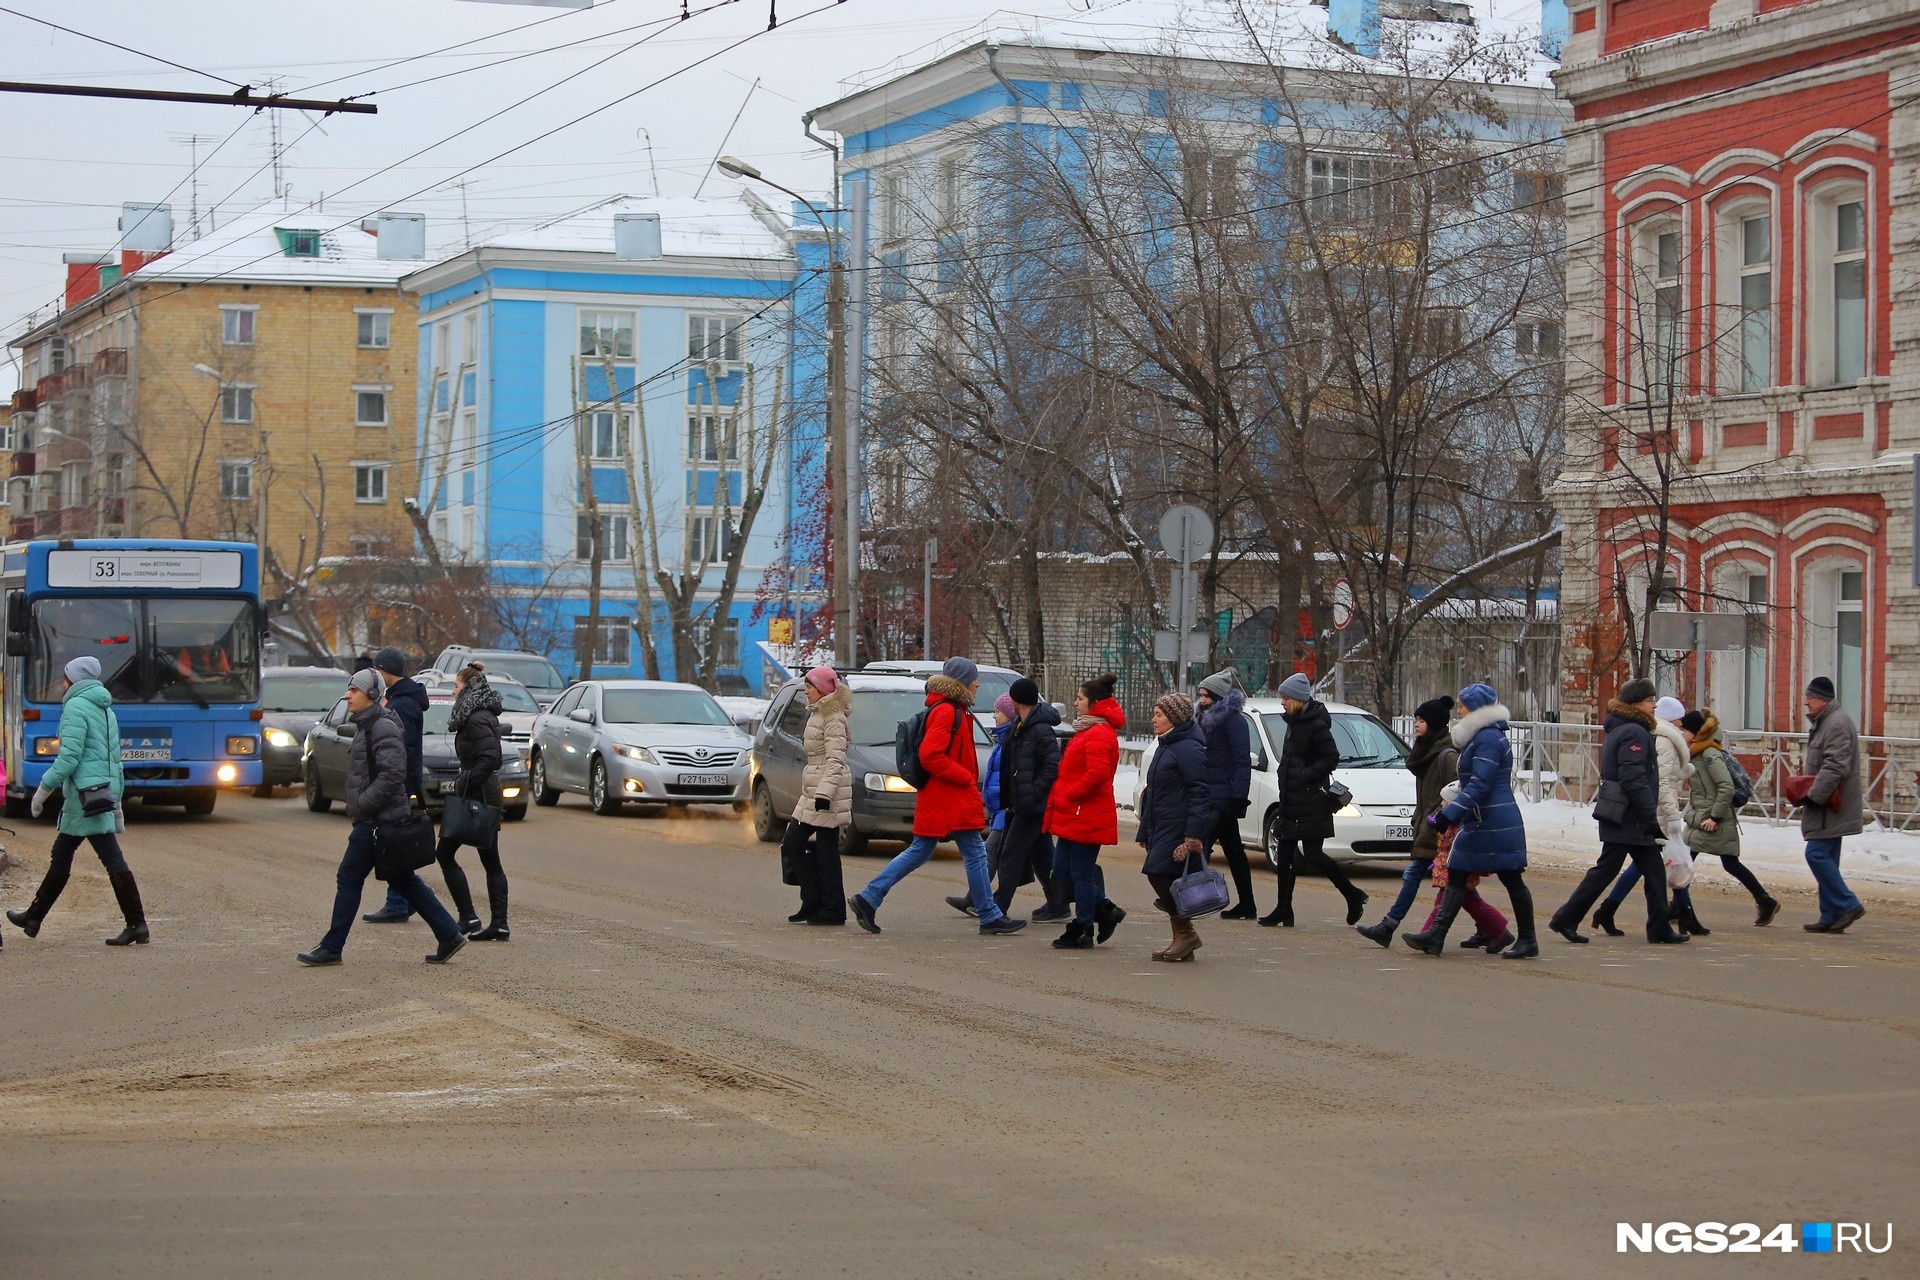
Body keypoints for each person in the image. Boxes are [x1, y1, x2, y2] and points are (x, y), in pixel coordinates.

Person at [297, 669, 467, 966]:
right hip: (377, 819)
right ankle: (449, 934)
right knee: (403, 879)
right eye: (349, 689)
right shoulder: (368, 724)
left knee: (349, 877)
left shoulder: (382, 727)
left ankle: (332, 947)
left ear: (372, 695)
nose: (348, 695)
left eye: (354, 690)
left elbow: (391, 775)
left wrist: (363, 804)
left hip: (378, 821)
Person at [849, 657, 1026, 936]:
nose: (977, 683)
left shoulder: (952, 708)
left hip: (944, 796)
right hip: (949, 796)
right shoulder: (947, 710)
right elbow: (930, 755)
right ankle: (989, 915)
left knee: (923, 852)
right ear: (961, 682)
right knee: (974, 853)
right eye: (973, 678)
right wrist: (964, 777)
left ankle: (869, 897)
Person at [4, 656, 147, 946]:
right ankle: (33, 917)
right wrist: (116, 800)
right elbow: (113, 759)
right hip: (99, 792)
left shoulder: (75, 707)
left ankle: (137, 923)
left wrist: (43, 790)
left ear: (75, 680)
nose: (62, 682)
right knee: (64, 854)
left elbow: (69, 757)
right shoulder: (105, 709)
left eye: (66, 676)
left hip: (85, 798)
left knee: (105, 858)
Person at [1547, 678, 1688, 945]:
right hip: (1629, 816)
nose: (1654, 705)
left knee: (1650, 870)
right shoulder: (1634, 732)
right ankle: (1566, 918)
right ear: (1635, 704)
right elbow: (1633, 777)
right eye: (1649, 700)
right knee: (1609, 870)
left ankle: (1658, 928)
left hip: (1625, 813)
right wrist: (1648, 814)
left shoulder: (1623, 728)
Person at [1403, 684, 1536, 958]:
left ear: (1475, 708)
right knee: (1458, 873)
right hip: (1483, 818)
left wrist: (1450, 813)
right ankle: (1436, 935)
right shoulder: (1483, 736)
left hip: (1493, 819)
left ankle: (1528, 940)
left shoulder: (1487, 738)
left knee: (1511, 878)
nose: (1459, 710)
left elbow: (1480, 784)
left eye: (1463, 705)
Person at [1260, 672, 1368, 928]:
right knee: (1285, 855)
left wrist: (1304, 775)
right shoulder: (1293, 722)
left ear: (1297, 699)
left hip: (1310, 801)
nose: (1282, 702)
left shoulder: (1315, 724)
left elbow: (1331, 757)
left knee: (1314, 854)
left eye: (1285, 698)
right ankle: (1283, 909)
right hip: (1291, 799)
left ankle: (1352, 895)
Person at [1590, 695, 1693, 936]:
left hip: (1647, 810)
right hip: (1650, 812)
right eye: (1680, 724)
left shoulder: (1653, 736)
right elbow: (1657, 782)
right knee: (1646, 866)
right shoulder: (1662, 740)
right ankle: (1588, 913)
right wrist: (1671, 815)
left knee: (1653, 867)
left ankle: (1674, 918)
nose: (1683, 730)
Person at [1043, 673, 1127, 949]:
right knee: (1062, 870)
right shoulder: (1089, 730)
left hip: (1086, 814)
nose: (1076, 703)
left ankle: (1083, 926)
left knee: (1080, 872)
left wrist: (1070, 793)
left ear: (1095, 703)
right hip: (1074, 813)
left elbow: (1098, 774)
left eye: (1080, 699)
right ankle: (1106, 909)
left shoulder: (1099, 734)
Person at [1680, 709, 1780, 928]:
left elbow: (1726, 787)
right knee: (1722, 863)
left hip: (1712, 819)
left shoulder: (1709, 754)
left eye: (1684, 730)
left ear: (1696, 733)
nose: (1681, 733)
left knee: (1685, 862)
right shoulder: (1696, 753)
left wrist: (1714, 817)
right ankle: (1765, 900)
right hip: (1701, 817)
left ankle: (1678, 907)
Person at [434, 662, 512, 941]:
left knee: (446, 852)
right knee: (489, 859)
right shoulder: (479, 713)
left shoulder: (476, 717)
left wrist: (466, 780)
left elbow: (491, 758)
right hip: (481, 790)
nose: (454, 692)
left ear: (467, 688)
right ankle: (491, 922)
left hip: (480, 793)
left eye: (456, 687)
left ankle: (472, 917)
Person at [1136, 692, 1213, 961]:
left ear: (1175, 718)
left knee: (1159, 873)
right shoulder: (1166, 745)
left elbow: (1199, 793)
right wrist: (1145, 830)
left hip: (1179, 827)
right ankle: (1183, 936)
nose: (1153, 720)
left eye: (1159, 715)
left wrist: (1193, 834)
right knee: (1161, 875)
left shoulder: (1188, 749)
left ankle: (1186, 934)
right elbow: (1153, 792)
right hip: (1162, 824)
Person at [363, 646, 431, 925]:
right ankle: (401, 901)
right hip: (402, 779)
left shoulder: (403, 703)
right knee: (393, 843)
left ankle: (400, 902)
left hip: (398, 781)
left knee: (393, 844)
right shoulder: (400, 698)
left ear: (384, 670)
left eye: (377, 670)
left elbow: (401, 747)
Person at [994, 678, 1069, 921]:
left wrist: (1033, 793)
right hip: (1021, 803)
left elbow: (1052, 766)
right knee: (1043, 855)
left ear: (1017, 701)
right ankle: (1058, 903)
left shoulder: (1039, 729)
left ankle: (998, 908)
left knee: (1010, 854)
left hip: (1032, 805)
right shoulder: (1021, 725)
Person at [1797, 675, 1866, 934]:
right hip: (1828, 804)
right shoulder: (1827, 721)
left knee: (1815, 854)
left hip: (1830, 804)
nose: (1806, 703)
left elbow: (1835, 765)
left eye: (1810, 698)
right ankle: (1830, 913)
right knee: (1827, 857)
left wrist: (1815, 795)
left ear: (1822, 700)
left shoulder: (1836, 724)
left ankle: (1848, 904)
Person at [783, 665, 851, 926]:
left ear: (822, 689)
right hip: (814, 788)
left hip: (826, 791)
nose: (805, 691)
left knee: (818, 849)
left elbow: (836, 760)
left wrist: (824, 793)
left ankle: (830, 908)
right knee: (800, 846)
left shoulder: (833, 717)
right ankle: (815, 902)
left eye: (809, 687)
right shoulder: (819, 712)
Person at [946, 692, 1018, 917]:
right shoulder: (1002, 739)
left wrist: (1004, 803)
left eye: (998, 712)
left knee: (989, 852)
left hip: (1008, 809)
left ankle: (976, 900)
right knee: (1043, 859)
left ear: (1009, 714)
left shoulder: (1010, 741)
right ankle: (1058, 902)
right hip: (1001, 809)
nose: (994, 716)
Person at [1196, 669, 1257, 919]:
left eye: (1207, 695)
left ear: (1218, 697)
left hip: (1224, 797)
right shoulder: (1201, 719)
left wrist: (1238, 797)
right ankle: (1248, 904)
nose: (1202, 700)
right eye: (1200, 695)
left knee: (1200, 843)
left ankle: (1190, 898)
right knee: (1233, 851)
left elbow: (1242, 761)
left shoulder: (1235, 722)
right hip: (1207, 792)